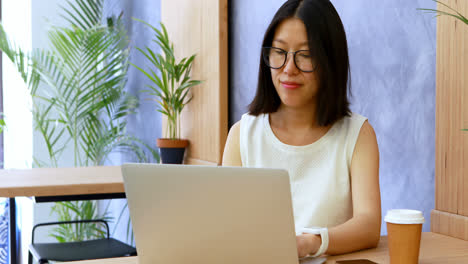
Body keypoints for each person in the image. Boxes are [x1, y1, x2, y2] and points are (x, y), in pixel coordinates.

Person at [222, 0, 381, 258]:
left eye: (305, 56)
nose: (288, 69)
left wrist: (309, 243)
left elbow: (369, 225)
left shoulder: (358, 134)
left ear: (331, 60)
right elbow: (227, 227)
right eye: (279, 52)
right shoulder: (242, 135)